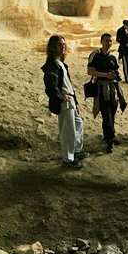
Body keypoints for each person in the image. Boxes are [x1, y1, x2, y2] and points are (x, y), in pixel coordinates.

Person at [41, 35, 86, 169]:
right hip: (64, 101)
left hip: (70, 99)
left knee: (77, 125)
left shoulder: (60, 63)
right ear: (53, 47)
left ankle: (76, 152)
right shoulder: (52, 65)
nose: (63, 47)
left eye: (64, 44)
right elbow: (50, 85)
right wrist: (60, 97)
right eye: (60, 44)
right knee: (68, 131)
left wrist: (75, 102)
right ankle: (68, 159)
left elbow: (68, 84)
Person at [87, 33, 127, 153]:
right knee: (106, 113)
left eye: (110, 41)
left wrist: (115, 76)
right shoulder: (95, 55)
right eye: (106, 41)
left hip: (112, 88)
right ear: (101, 42)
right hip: (101, 88)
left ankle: (108, 135)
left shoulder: (113, 58)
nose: (108, 43)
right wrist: (106, 75)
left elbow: (115, 71)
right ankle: (110, 139)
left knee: (112, 112)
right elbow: (90, 71)